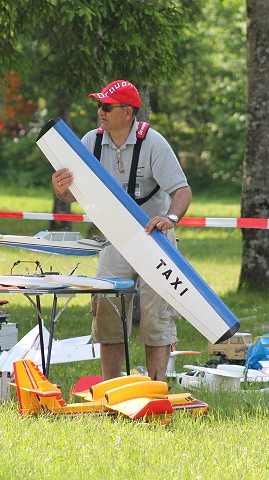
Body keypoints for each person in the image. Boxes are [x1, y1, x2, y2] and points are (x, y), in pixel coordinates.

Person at [51, 80, 192, 381]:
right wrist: (61, 189)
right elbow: (72, 194)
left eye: (106, 106)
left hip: (155, 238)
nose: (100, 111)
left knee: (156, 317)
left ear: (127, 113)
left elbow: (182, 190)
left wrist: (171, 217)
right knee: (106, 311)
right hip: (116, 239)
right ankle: (110, 387)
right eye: (98, 105)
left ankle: (156, 387)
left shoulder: (154, 142)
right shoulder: (91, 140)